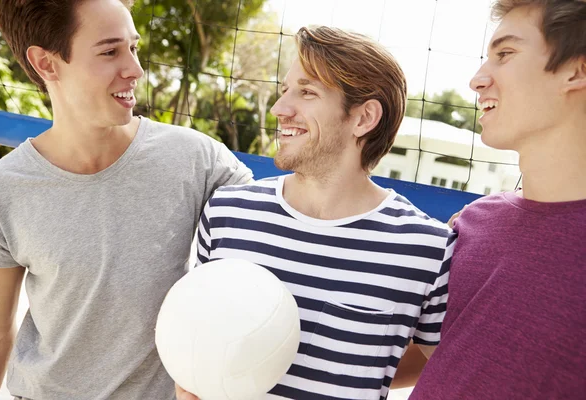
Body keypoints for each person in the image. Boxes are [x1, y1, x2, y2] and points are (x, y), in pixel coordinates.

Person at [0, 1, 252, 399]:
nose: (135, 69)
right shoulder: (2, 188)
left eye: (134, 47)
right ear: (47, 63)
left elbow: (287, 229)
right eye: (110, 51)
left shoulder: (200, 161)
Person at [177, 26, 456, 400]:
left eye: (307, 92)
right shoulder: (229, 213)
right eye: (284, 91)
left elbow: (448, 368)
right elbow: (198, 352)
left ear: (363, 118)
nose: (280, 109)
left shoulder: (427, 249)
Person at [409, 1, 586, 399]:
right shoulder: (472, 224)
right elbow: (436, 357)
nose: (477, 79)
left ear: (577, 70)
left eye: (505, 54)